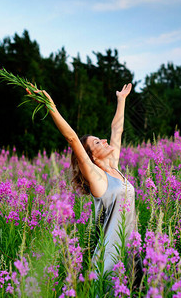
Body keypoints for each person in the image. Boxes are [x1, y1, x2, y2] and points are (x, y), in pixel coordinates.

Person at [28, 84, 141, 280]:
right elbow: (72, 138)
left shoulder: (114, 168)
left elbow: (117, 130)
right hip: (110, 262)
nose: (105, 141)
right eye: (98, 143)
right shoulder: (98, 179)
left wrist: (121, 99)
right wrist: (50, 105)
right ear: (92, 158)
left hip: (131, 254)